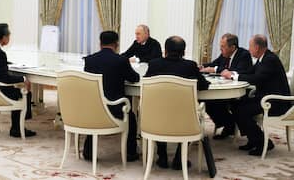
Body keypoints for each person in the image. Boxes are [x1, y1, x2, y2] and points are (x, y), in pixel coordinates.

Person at [145, 36, 210, 170]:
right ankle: (179, 159)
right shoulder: (190, 66)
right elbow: (203, 85)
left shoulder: (154, 64)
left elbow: (145, 84)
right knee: (189, 116)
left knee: (159, 113)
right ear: (184, 52)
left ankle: (162, 156)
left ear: (165, 51)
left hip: (157, 118)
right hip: (184, 119)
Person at [222, 34, 291, 156]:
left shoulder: (270, 60)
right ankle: (253, 139)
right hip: (266, 98)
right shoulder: (262, 59)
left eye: (250, 46)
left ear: (257, 47)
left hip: (276, 102)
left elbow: (256, 79)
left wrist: (233, 76)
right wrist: (232, 72)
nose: (249, 49)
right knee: (235, 104)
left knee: (242, 110)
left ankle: (262, 142)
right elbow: (249, 72)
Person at [83, 31, 140, 162]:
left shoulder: (89, 60)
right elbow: (134, 78)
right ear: (116, 44)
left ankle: (88, 150)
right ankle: (130, 153)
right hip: (115, 109)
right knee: (131, 116)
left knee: (95, 114)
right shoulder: (121, 60)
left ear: (100, 44)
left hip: (94, 108)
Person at [0, 23, 36, 138]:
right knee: (24, 92)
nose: (9, 37)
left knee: (17, 89)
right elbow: (4, 78)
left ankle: (18, 125)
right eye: (9, 35)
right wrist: (23, 78)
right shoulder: (0, 53)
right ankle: (17, 128)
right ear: (4, 38)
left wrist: (6, 64)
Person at [200, 33, 252, 139]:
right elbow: (214, 63)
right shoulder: (224, 55)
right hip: (225, 88)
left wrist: (215, 69)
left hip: (239, 91)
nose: (220, 49)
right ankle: (229, 124)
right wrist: (201, 67)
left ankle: (229, 125)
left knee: (215, 101)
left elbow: (237, 72)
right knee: (209, 100)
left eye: (223, 46)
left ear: (233, 47)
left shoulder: (244, 55)